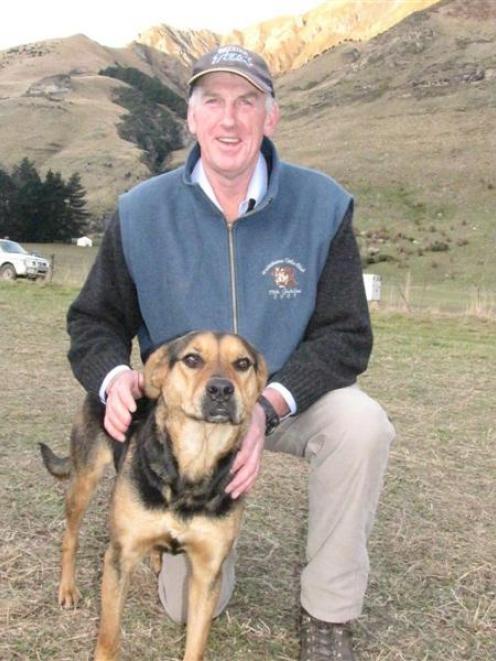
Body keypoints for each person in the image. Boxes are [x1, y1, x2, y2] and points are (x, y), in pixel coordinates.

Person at [67, 44, 395, 661]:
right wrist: (112, 376)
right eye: (213, 102)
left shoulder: (322, 205)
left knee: (363, 424)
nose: (229, 119)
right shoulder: (141, 212)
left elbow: (347, 335)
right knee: (189, 603)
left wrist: (267, 405)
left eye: (247, 103)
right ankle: (212, 538)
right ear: (190, 119)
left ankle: (328, 611)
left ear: (270, 118)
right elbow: (94, 320)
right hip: (187, 416)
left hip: (283, 395)